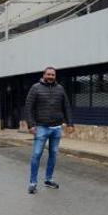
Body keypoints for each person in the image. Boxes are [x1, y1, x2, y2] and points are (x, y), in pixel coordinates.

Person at [24, 66, 74, 194]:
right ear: (44, 75)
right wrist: (31, 125)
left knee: (53, 154)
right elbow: (28, 107)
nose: (51, 76)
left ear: (55, 76)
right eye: (48, 74)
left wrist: (70, 123)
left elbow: (66, 106)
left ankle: (48, 179)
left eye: (53, 75)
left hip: (56, 128)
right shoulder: (35, 88)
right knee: (36, 155)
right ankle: (33, 183)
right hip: (41, 127)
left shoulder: (60, 89)